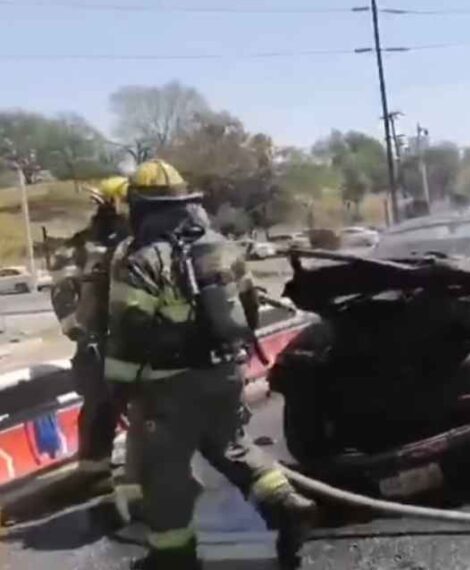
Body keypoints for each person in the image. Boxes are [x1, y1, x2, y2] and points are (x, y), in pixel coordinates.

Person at [103, 160, 315, 570]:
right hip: (225, 374)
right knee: (232, 447)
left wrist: (119, 391)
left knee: (163, 472)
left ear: (141, 207)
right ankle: (285, 506)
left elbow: (129, 333)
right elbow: (249, 312)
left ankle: (173, 556)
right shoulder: (221, 247)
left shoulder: (141, 261)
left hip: (169, 387)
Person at [47, 175, 140, 517]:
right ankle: (96, 475)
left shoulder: (142, 241)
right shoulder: (80, 248)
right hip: (99, 348)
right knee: (101, 411)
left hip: (138, 344)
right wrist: (82, 334)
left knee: (147, 413)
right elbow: (63, 297)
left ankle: (143, 480)